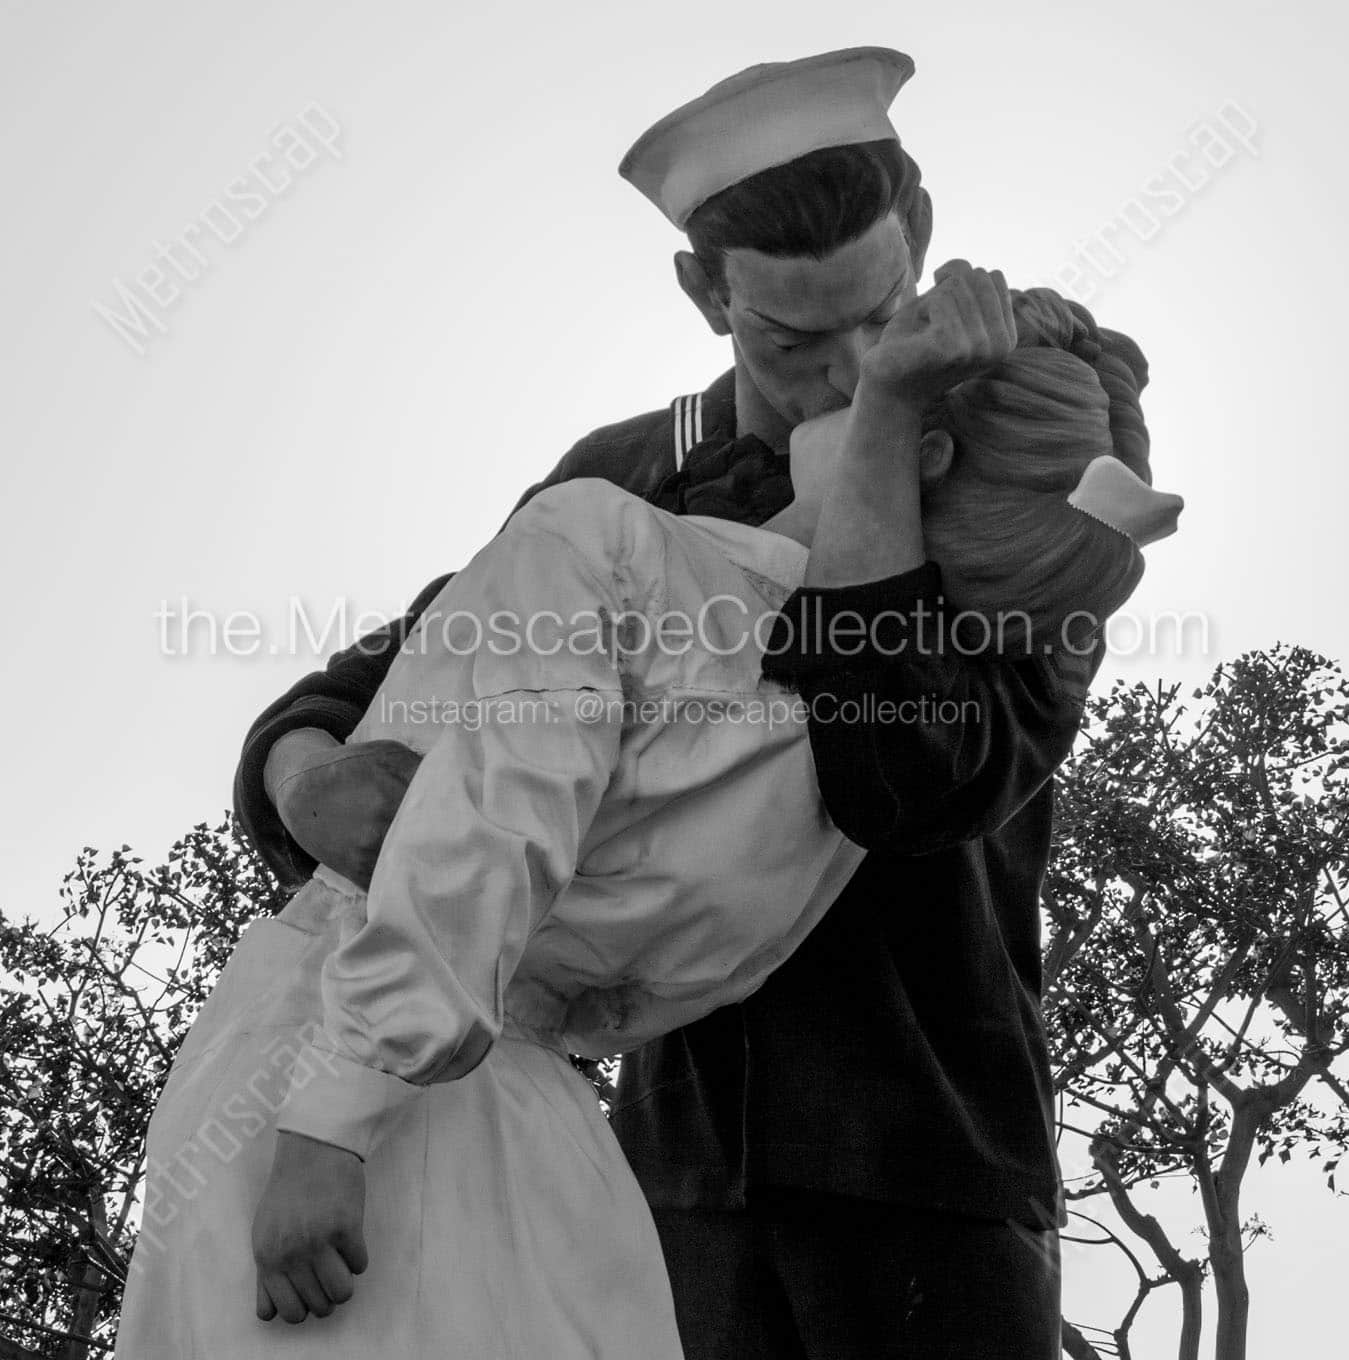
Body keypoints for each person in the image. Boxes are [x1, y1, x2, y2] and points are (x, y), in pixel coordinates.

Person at [228, 50, 1159, 1359]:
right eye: (791, 339)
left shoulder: (1033, 477)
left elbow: (905, 785)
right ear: (703, 290)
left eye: (873, 319)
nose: (843, 373)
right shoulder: (620, 483)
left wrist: (894, 440)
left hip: (935, 1162)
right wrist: (310, 778)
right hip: (666, 1178)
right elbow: (369, 680)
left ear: (924, 245)